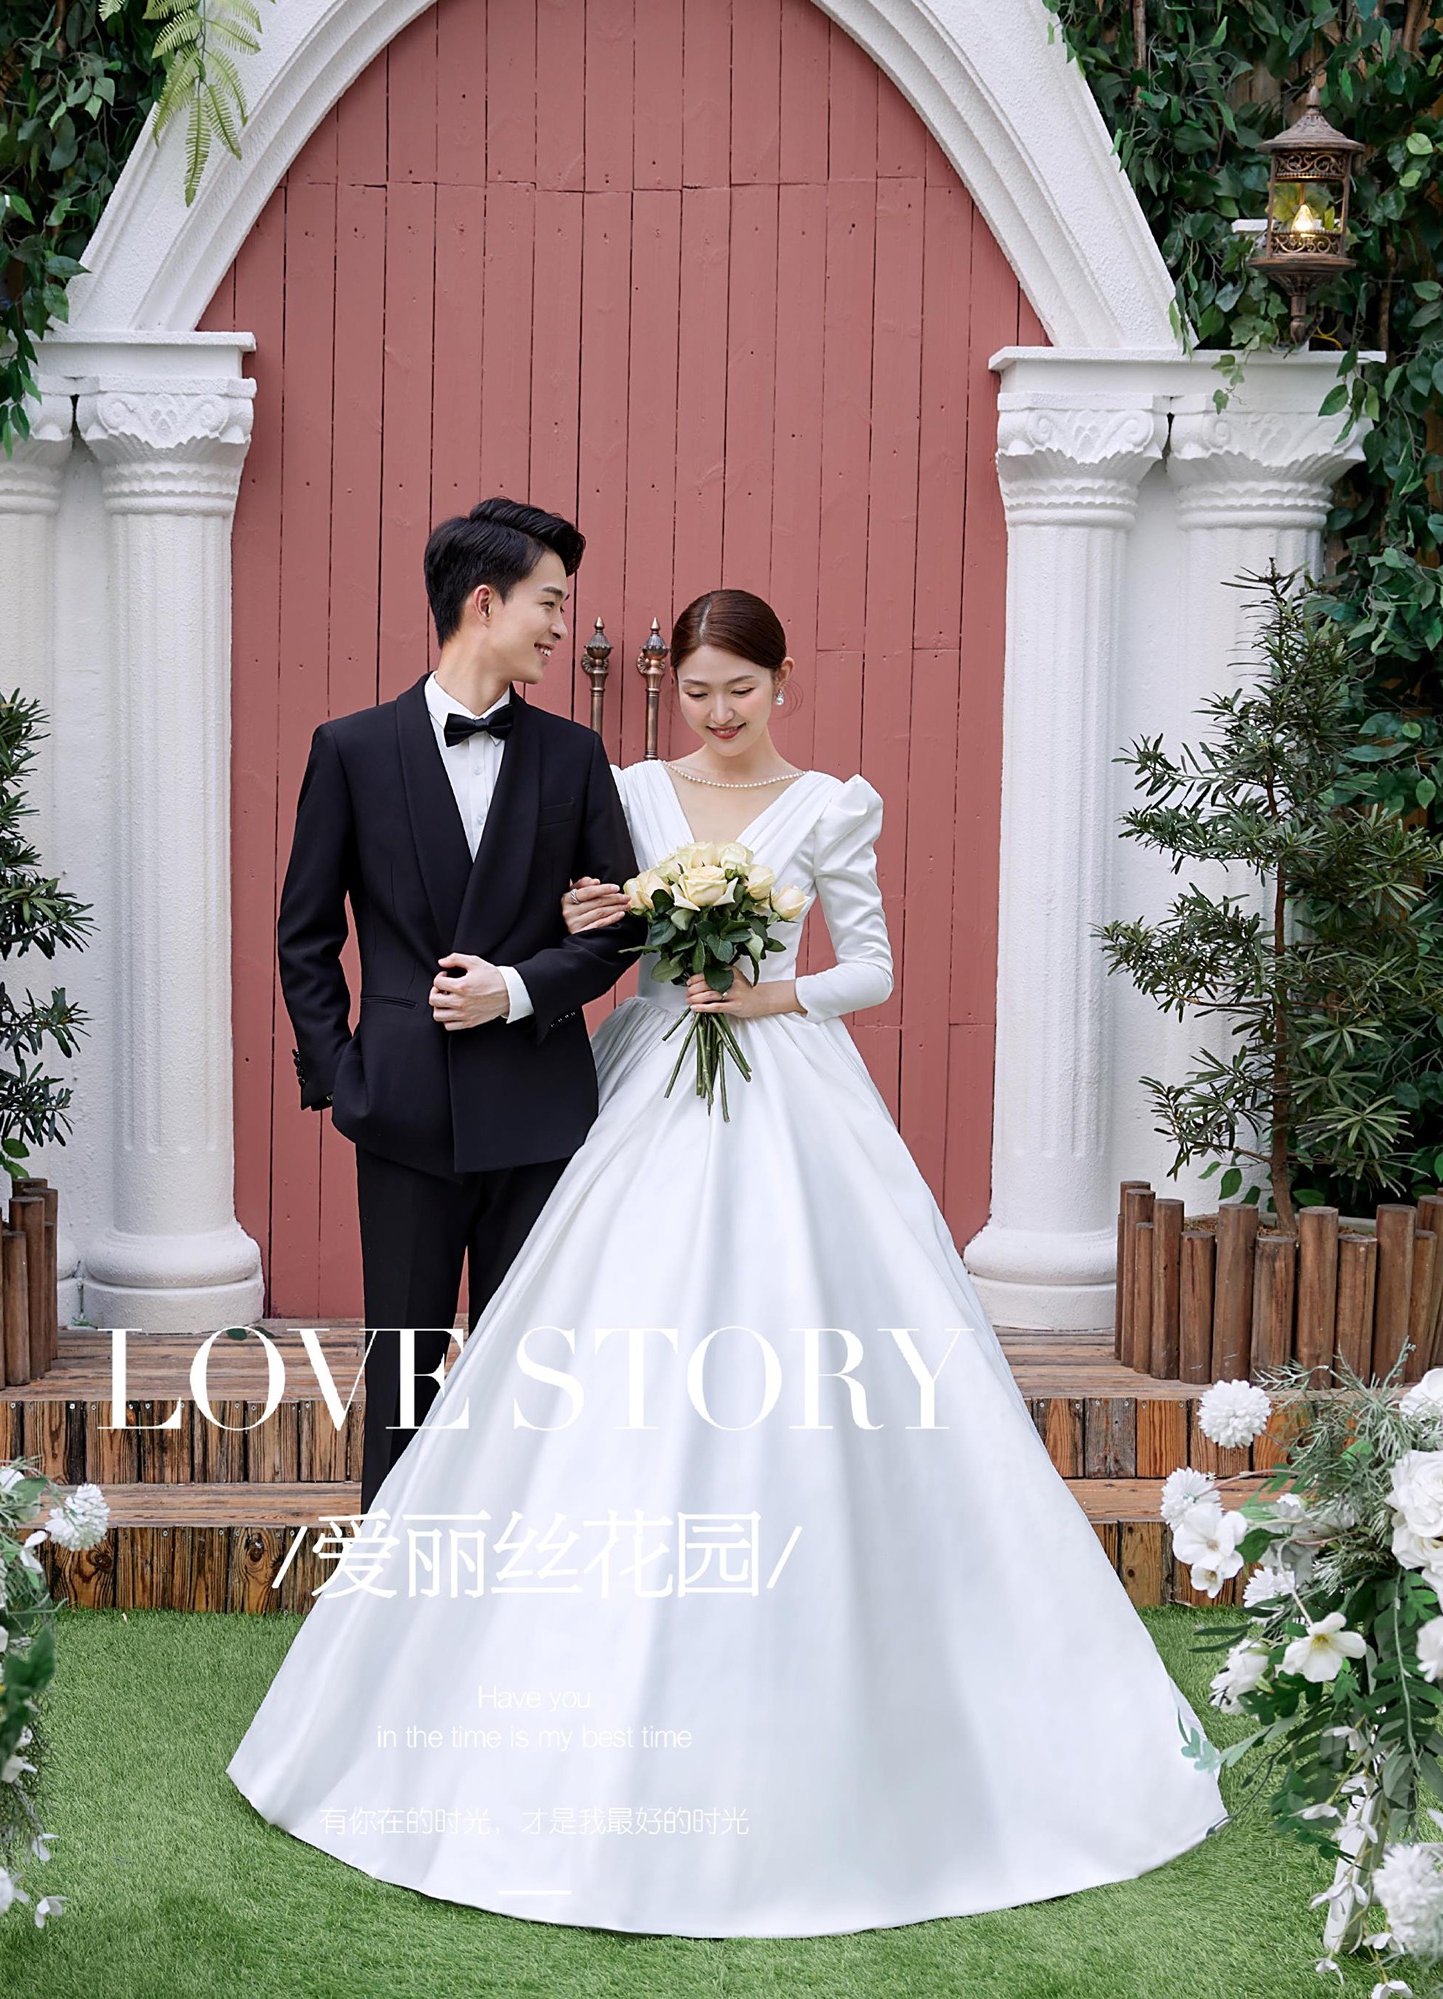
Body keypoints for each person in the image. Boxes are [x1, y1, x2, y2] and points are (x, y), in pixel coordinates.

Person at [230, 587, 1228, 1937]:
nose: (716, 712)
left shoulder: (831, 806)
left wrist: (768, 991)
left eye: (738, 691)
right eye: (698, 690)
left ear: (782, 681)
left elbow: (872, 967)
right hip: (643, 1078)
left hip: (786, 1088)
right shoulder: (631, 788)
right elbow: (598, 932)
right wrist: (613, 920)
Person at [273, 498, 643, 1513]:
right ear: (485, 602)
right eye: (549, 602)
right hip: (402, 1112)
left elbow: (618, 928)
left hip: (539, 1114)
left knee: (533, 1377)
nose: (562, 626)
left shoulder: (574, 756)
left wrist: (516, 990)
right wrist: (343, 1078)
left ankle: (522, 1574)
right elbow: (305, 933)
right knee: (400, 1373)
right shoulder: (350, 748)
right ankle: (392, 1579)